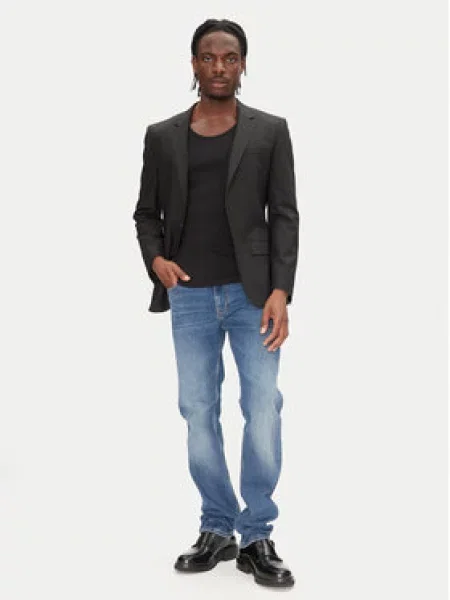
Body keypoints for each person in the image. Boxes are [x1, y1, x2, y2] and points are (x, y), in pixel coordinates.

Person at [132, 18, 299, 588]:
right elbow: (145, 213)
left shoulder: (269, 131)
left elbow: (285, 215)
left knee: (263, 410)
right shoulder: (162, 135)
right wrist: (156, 259)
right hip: (191, 299)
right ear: (194, 64)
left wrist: (280, 290)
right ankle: (217, 525)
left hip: (255, 298)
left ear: (243, 64)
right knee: (198, 412)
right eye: (208, 57)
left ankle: (257, 535)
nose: (219, 67)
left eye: (230, 57)